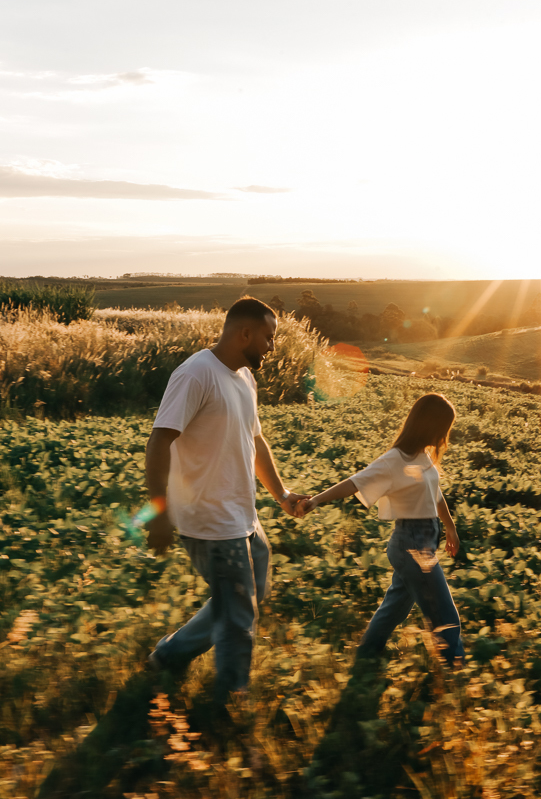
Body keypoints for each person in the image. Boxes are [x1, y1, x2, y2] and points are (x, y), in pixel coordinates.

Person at [144, 296, 306, 700]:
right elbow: (159, 441)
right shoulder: (196, 374)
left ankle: (171, 653)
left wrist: (282, 494)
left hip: (243, 516)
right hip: (209, 520)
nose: (272, 347)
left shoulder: (244, 378)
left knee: (251, 592)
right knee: (238, 615)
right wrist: (159, 513)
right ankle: (230, 701)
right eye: (268, 338)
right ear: (244, 333)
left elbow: (256, 441)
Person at [296, 393, 464, 666]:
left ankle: (365, 657)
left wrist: (450, 527)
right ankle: (455, 669)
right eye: (444, 428)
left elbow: (436, 494)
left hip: (424, 539)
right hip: (411, 543)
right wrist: (315, 500)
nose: (446, 435)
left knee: (394, 608)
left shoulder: (423, 457)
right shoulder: (395, 459)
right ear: (429, 425)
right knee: (444, 612)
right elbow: (355, 482)